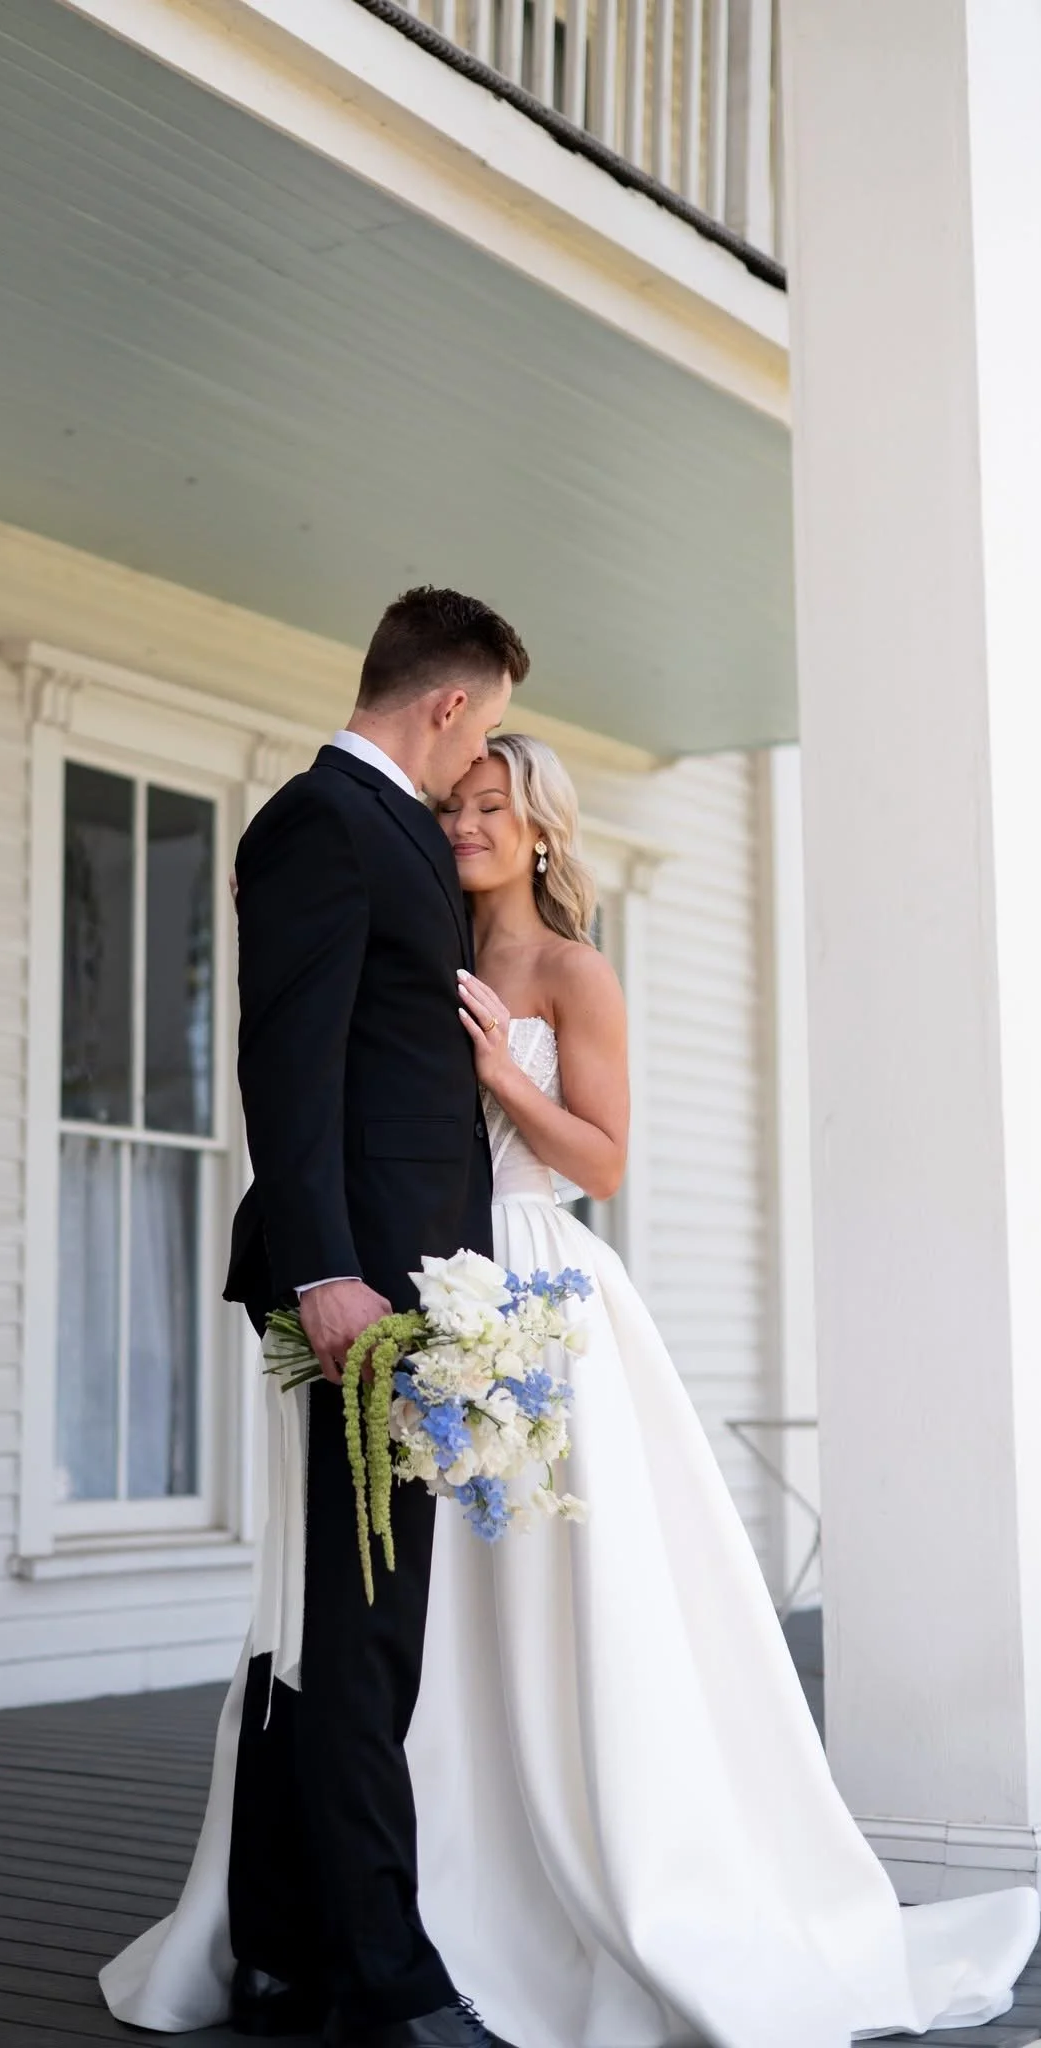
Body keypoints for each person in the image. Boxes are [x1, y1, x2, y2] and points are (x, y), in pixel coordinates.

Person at [102, 702, 1040, 2047]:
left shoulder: (568, 969)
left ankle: (580, 1882)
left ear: (543, 829)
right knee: (411, 1624)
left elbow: (601, 1162)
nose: (467, 824)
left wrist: (503, 1072)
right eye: (454, 805)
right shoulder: (405, 938)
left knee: (555, 1608)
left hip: (534, 1291)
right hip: (422, 1285)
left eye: (495, 806)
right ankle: (414, 1895)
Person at [102, 587, 524, 2048]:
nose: (488, 750)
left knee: (349, 1621)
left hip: (416, 1286)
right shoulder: (319, 823)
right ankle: (374, 1970)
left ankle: (287, 1945)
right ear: (451, 705)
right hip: (362, 1292)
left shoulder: (387, 827)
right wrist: (330, 1270)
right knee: (361, 1630)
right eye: (492, 719)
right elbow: (286, 1070)